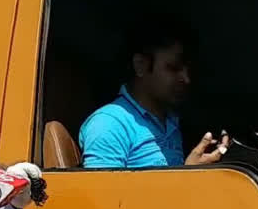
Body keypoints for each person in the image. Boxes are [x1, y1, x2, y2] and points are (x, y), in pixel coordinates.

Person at [79, 15, 229, 168]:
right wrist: (188, 175)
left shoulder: (172, 121)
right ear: (141, 65)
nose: (186, 78)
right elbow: (100, 192)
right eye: (173, 68)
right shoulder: (110, 124)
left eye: (187, 69)